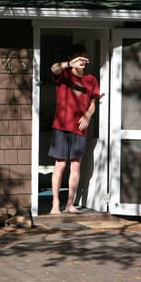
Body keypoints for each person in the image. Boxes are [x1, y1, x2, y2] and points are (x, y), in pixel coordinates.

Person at [48, 44, 100, 214]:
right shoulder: (64, 75)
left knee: (75, 166)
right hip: (61, 127)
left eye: (84, 57)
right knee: (60, 165)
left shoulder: (91, 80)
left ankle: (70, 204)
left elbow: (93, 103)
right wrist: (70, 64)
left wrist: (88, 115)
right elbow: (54, 68)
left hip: (79, 129)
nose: (82, 61)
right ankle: (55, 204)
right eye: (78, 57)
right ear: (72, 59)